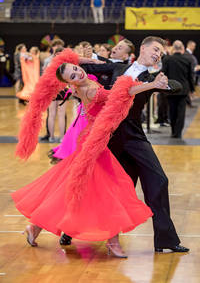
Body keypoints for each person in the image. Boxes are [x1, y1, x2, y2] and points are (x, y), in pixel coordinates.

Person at [12, 48, 169, 257]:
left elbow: (75, 63)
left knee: (72, 188)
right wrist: (153, 85)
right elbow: (120, 94)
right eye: (74, 76)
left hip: (95, 141)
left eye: (77, 69)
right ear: (72, 83)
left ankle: (35, 227)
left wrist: (83, 58)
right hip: (93, 145)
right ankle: (112, 242)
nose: (79, 73)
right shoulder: (89, 90)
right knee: (109, 191)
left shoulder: (84, 82)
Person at [60, 36, 189, 253]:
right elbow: (85, 66)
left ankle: (166, 239)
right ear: (143, 48)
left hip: (133, 135)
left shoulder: (152, 76)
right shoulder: (117, 68)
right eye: (155, 49)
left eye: (161, 52)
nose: (158, 54)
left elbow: (175, 85)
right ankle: (69, 230)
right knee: (98, 187)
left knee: (158, 180)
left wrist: (166, 85)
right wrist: (74, 59)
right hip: (108, 136)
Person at [162, 40, 195, 139]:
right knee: (181, 112)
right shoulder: (188, 60)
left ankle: (173, 131)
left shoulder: (167, 59)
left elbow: (164, 74)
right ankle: (178, 133)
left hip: (171, 89)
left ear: (173, 48)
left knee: (172, 111)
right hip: (183, 89)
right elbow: (190, 76)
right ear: (182, 48)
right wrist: (192, 89)